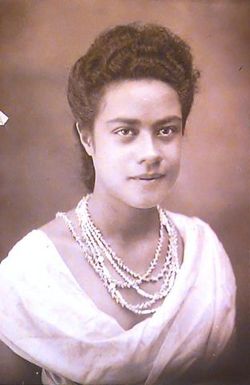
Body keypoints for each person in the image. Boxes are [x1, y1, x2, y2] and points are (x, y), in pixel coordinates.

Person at [0, 23, 236, 385]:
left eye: (166, 130)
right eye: (126, 131)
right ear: (87, 137)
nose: (151, 154)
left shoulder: (203, 253)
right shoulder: (31, 269)